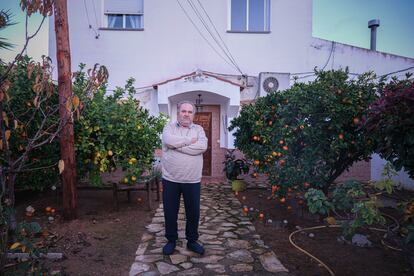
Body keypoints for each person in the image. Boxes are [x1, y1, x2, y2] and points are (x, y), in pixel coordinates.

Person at [161, 101, 208, 255]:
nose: (186, 114)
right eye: (183, 111)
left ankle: (192, 240)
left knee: (193, 212)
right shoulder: (169, 127)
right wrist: (189, 141)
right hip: (170, 179)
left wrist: (177, 146)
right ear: (178, 113)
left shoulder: (199, 129)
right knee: (170, 211)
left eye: (189, 112)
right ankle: (171, 240)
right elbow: (168, 141)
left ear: (193, 114)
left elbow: (202, 147)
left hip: (192, 179)